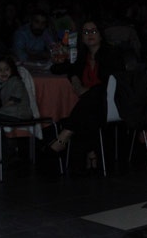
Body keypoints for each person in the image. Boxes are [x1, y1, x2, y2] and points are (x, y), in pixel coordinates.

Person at [45, 20, 124, 172]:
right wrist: (75, 79)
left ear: (100, 34)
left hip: (111, 103)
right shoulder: (82, 56)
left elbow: (112, 83)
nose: (90, 35)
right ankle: (91, 152)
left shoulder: (112, 54)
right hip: (91, 108)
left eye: (93, 31)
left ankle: (64, 136)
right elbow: (58, 68)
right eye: (86, 32)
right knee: (87, 109)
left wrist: (86, 91)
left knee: (93, 95)